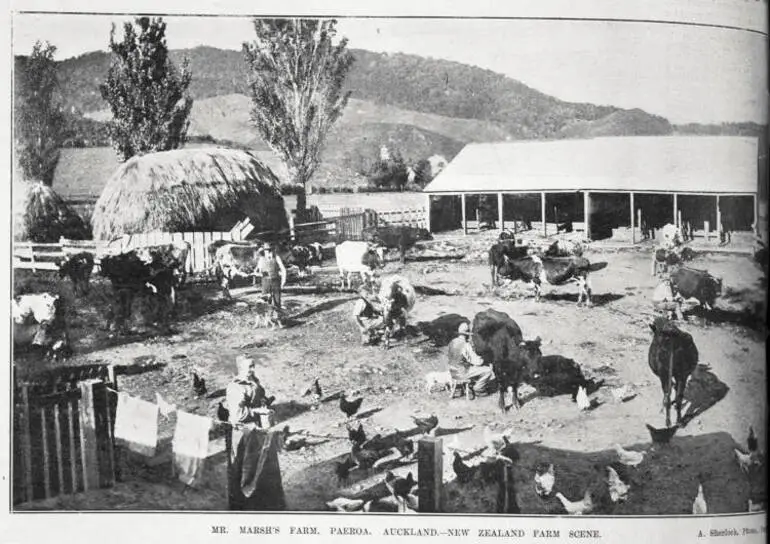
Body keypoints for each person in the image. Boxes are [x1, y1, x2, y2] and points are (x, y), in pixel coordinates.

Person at [447, 322, 495, 399]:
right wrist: (484, 359)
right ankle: (478, 389)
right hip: (462, 372)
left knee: (472, 367)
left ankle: (471, 385)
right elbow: (477, 362)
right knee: (488, 370)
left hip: (452, 371)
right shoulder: (466, 345)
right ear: (466, 335)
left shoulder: (452, 342)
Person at [226, 356, 270, 426]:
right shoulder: (235, 388)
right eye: (250, 367)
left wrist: (263, 400)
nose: (253, 369)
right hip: (241, 426)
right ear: (240, 368)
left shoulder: (252, 379)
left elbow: (260, 392)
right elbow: (238, 415)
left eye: (253, 366)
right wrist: (257, 411)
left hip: (256, 420)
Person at [257, 242, 287, 310]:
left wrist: (283, 280)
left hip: (275, 280)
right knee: (265, 301)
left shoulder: (276, 257)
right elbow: (259, 270)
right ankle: (268, 319)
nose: (268, 252)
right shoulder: (261, 259)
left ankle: (278, 317)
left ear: (272, 250)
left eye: (269, 250)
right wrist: (259, 273)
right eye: (266, 250)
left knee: (277, 300)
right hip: (265, 281)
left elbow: (283, 269)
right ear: (264, 251)